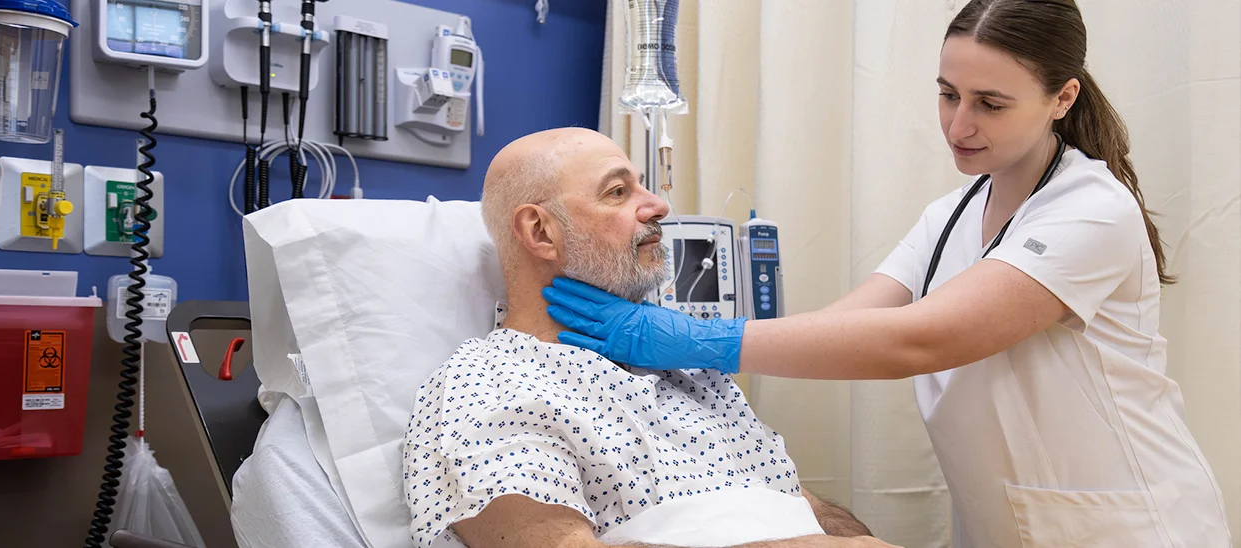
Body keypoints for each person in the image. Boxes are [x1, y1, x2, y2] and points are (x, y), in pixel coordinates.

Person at [541, 1, 1233, 547]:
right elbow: (853, 324)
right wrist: (693, 366)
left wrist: (703, 342)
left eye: (990, 103)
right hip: (1005, 525)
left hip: (1128, 527)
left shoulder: (1091, 211)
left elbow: (921, 340)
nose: (959, 124)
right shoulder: (954, 212)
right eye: (946, 93)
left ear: (1062, 98)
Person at [402, 128, 898, 548]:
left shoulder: (683, 364)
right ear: (541, 232)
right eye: (618, 192)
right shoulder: (489, 383)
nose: (659, 205)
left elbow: (792, 505)